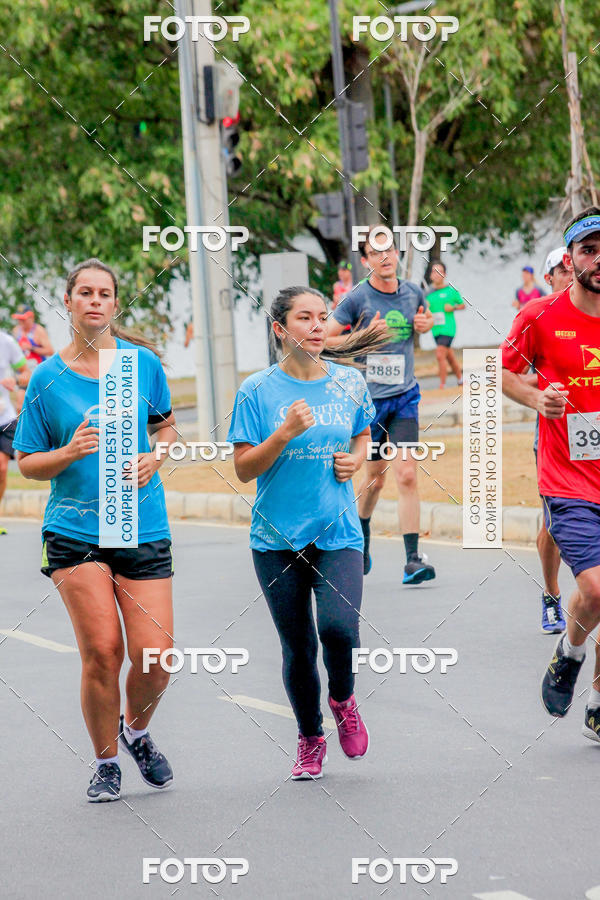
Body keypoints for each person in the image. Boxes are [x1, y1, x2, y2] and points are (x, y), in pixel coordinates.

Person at [14, 258, 178, 802]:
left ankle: (137, 732)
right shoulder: (47, 377)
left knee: (156, 658)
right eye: (84, 292)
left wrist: (158, 457)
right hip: (75, 530)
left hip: (140, 520)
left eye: (104, 293)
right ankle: (106, 762)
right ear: (68, 302)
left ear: (114, 304)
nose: (95, 301)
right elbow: (27, 462)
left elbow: (168, 428)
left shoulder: (141, 365)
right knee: (103, 651)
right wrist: (68, 451)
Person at [228, 285, 387, 780]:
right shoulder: (257, 391)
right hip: (276, 539)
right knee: (299, 647)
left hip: (338, 529)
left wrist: (356, 459)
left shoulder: (349, 383)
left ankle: (343, 699)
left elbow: (362, 435)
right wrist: (282, 434)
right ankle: (310, 737)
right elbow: (243, 469)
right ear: (280, 329)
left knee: (339, 629)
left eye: (322, 317)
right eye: (305, 318)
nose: (318, 326)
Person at [501, 208, 600, 740]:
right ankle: (573, 648)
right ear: (570, 260)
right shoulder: (541, 316)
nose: (599, 258)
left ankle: (594, 691)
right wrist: (540, 397)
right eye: (589, 249)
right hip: (569, 483)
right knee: (598, 589)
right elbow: (505, 373)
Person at [327, 225, 436, 583]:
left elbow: (421, 324)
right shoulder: (357, 298)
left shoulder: (413, 291)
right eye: (377, 253)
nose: (386, 257)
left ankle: (413, 560)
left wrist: (425, 325)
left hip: (405, 397)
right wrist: (363, 336)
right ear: (366, 261)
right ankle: (362, 535)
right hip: (369, 402)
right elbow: (325, 336)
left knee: (406, 473)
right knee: (374, 482)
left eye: (389, 249)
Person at [0, 330, 29, 534]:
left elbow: (25, 372)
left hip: (5, 417)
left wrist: (16, 382)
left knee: (1, 468)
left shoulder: (6, 342)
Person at [425, 260, 465, 389]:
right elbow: (422, 310)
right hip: (435, 329)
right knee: (450, 357)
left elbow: (463, 305)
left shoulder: (451, 291)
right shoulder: (427, 293)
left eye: (439, 271)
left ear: (444, 274)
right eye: (434, 272)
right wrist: (426, 308)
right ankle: (460, 380)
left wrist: (453, 307)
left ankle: (442, 385)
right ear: (431, 275)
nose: (436, 274)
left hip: (448, 328)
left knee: (439, 354)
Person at [11, 304, 53, 413]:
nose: (21, 322)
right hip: (25, 374)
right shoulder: (16, 331)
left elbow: (50, 350)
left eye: (23, 319)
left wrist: (32, 348)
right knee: (20, 406)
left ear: (31, 317)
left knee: (39, 407)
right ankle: (21, 429)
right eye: (19, 319)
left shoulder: (39, 331)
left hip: (38, 374)